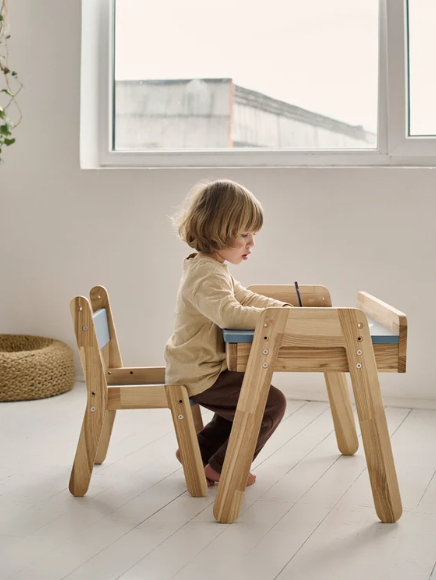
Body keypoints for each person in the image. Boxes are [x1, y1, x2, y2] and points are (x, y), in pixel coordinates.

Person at [165, 179, 291, 487]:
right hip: (199, 374)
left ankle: (199, 450)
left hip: (202, 368)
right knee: (267, 404)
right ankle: (223, 468)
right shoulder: (206, 272)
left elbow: (245, 298)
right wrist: (275, 320)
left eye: (253, 234)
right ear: (218, 230)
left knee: (251, 395)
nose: (252, 243)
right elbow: (230, 313)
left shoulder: (212, 266)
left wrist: (282, 309)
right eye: (244, 234)